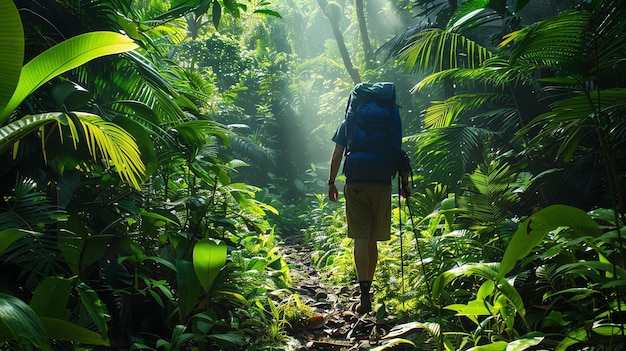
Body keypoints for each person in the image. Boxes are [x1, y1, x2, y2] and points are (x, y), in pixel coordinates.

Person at [327, 83, 411, 314]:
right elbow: (397, 150)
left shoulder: (351, 119)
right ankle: (370, 289)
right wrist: (405, 183)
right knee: (372, 238)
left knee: (360, 239)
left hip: (356, 181)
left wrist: (331, 182)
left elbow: (337, 154)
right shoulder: (390, 118)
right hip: (382, 182)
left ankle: (363, 294)